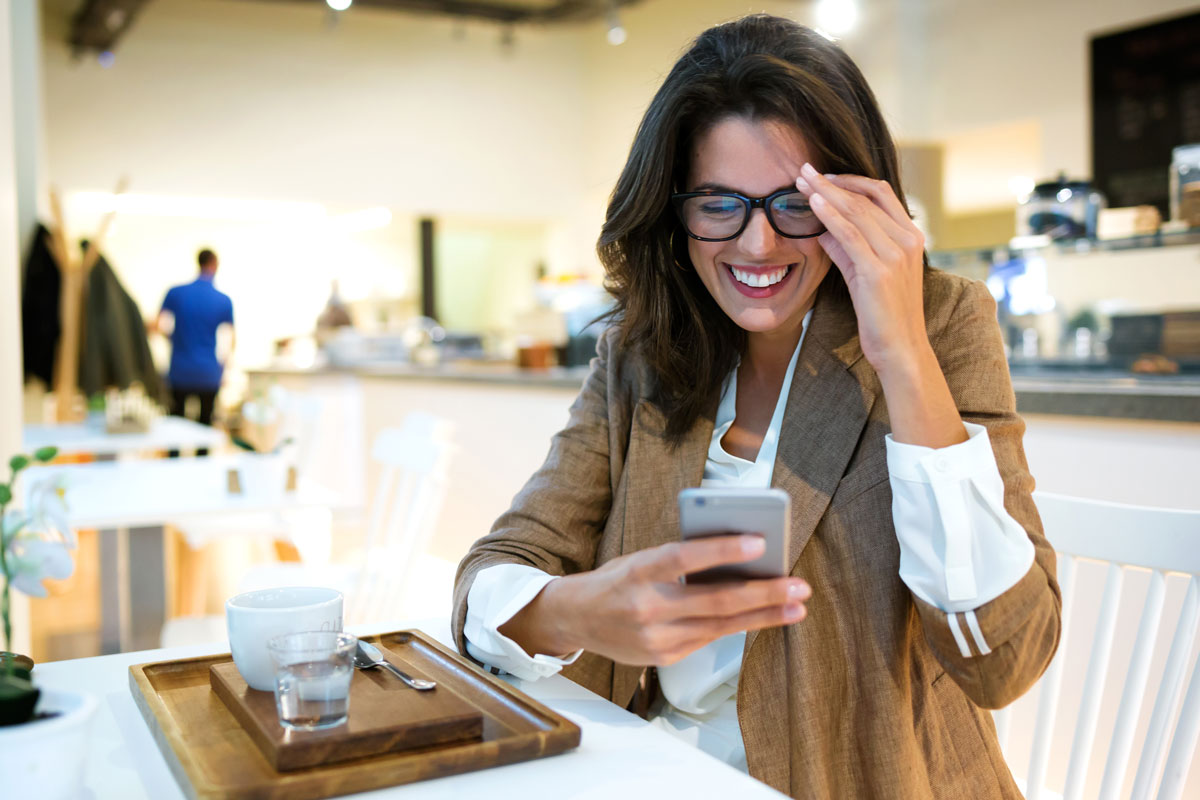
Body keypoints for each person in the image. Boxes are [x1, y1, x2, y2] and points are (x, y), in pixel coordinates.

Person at [453, 15, 1059, 799]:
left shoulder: (942, 320)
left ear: (857, 199)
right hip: (658, 774)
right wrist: (573, 613)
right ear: (673, 211)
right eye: (719, 204)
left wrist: (901, 352)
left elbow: (1003, 660)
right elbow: (491, 576)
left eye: (793, 204)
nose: (758, 246)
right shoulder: (639, 351)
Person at [152, 249, 235, 449]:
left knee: (175, 429)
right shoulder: (223, 300)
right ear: (215, 265)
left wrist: (173, 338)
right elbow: (232, 339)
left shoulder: (176, 293)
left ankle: (173, 468)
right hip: (208, 372)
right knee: (204, 431)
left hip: (180, 370)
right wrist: (223, 366)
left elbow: (156, 325)